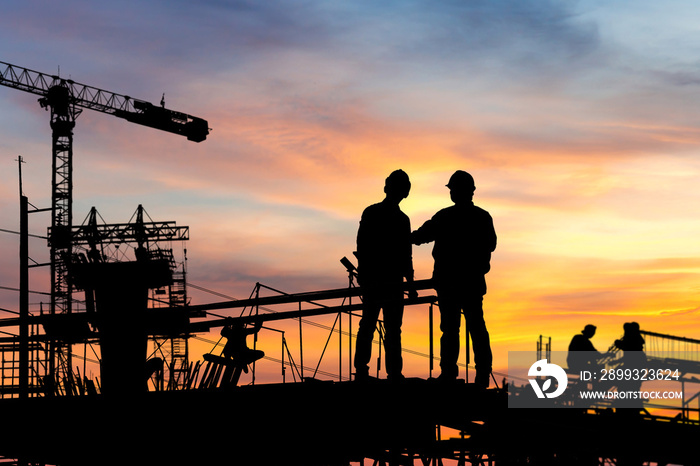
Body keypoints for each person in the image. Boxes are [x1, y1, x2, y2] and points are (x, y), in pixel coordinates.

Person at [412, 170, 496, 388]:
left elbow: (419, 237)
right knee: (475, 326)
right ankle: (481, 374)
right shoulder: (482, 217)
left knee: (451, 329)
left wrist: (398, 237)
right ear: (472, 191)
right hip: (470, 282)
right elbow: (491, 245)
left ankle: (450, 373)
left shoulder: (445, 217)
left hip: (450, 282)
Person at [354, 169, 417, 381]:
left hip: (384, 280)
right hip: (385, 281)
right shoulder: (398, 219)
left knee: (374, 325)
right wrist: (410, 284)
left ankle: (369, 370)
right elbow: (404, 255)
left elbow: (404, 255)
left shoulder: (375, 213)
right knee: (385, 327)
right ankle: (388, 372)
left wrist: (410, 283)